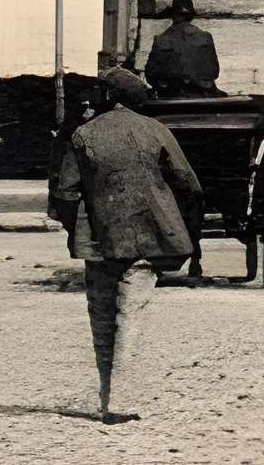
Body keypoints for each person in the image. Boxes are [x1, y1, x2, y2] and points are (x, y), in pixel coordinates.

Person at [48, 65, 203, 424]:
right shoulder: (156, 130)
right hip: (148, 240)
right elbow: (189, 185)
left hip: (100, 242)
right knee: (130, 318)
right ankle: (120, 400)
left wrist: (84, 226)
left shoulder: (83, 134)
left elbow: (66, 191)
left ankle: (106, 400)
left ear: (107, 98)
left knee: (101, 319)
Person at [142, 0, 221, 98]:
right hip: (200, 94)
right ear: (191, 16)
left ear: (173, 14)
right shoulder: (205, 37)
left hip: (170, 95)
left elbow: (151, 75)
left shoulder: (161, 39)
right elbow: (214, 72)